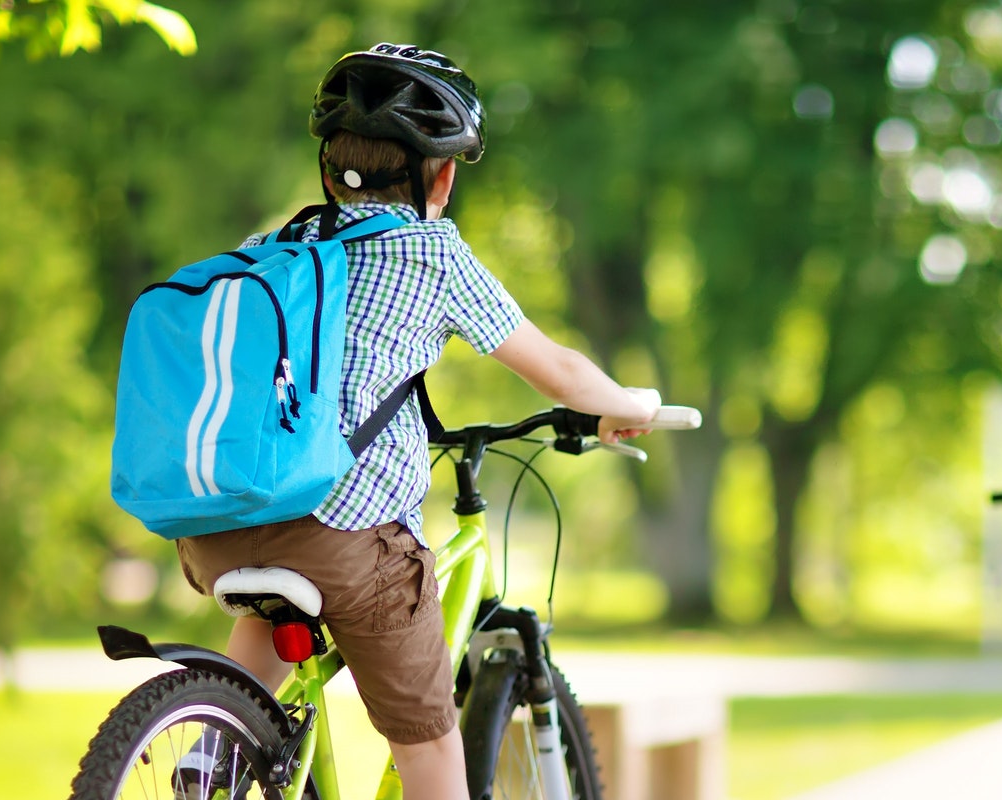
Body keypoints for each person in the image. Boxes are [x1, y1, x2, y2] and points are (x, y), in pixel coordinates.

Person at [171, 43, 657, 800]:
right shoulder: (432, 253)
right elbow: (556, 369)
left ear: (329, 172)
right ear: (444, 174)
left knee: (274, 608)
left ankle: (212, 747)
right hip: (347, 541)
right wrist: (630, 405)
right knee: (430, 746)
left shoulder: (273, 248)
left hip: (217, 526)